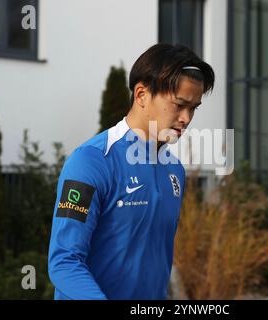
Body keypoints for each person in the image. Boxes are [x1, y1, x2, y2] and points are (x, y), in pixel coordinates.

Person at [47, 43, 215, 299]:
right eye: (179, 104)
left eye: (193, 108)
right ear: (141, 95)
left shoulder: (175, 171)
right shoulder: (90, 161)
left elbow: (152, 262)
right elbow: (64, 262)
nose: (187, 118)